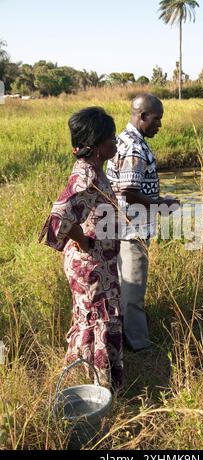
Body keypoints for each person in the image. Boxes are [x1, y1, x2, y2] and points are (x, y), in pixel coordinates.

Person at [39, 107, 123, 390]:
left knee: (94, 319)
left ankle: (90, 380)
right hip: (91, 264)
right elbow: (59, 219)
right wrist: (82, 239)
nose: (116, 142)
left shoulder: (95, 171)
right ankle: (92, 384)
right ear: (98, 144)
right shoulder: (85, 178)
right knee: (96, 321)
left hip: (100, 263)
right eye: (112, 137)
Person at [106, 94, 179, 352]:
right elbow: (129, 191)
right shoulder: (135, 147)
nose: (159, 125)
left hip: (119, 226)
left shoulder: (123, 140)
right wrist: (162, 204)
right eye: (157, 119)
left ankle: (120, 335)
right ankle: (139, 345)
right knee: (133, 292)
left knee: (122, 285)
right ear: (142, 116)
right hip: (131, 230)